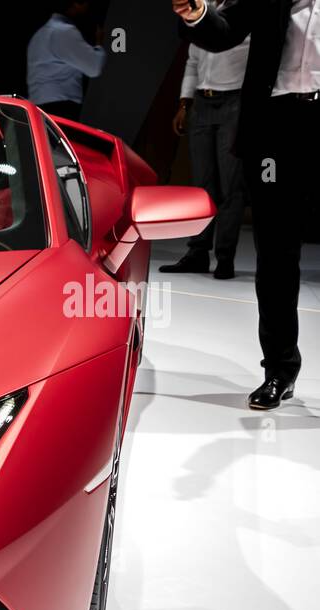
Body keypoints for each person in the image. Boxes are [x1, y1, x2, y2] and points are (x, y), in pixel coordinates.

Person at [173, 0, 320, 409]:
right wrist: (196, 13)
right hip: (278, 128)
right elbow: (223, 31)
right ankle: (279, 370)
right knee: (276, 253)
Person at [162, 2, 250, 280]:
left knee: (230, 186)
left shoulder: (244, 13)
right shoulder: (204, 9)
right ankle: (197, 253)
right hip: (202, 101)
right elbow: (192, 61)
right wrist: (184, 103)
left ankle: (225, 257)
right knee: (202, 186)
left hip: (235, 102)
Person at [27, 1, 107, 120]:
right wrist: (99, 43)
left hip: (39, 108)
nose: (87, 7)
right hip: (59, 108)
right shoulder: (64, 31)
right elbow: (94, 67)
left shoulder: (40, 34)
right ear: (76, 4)